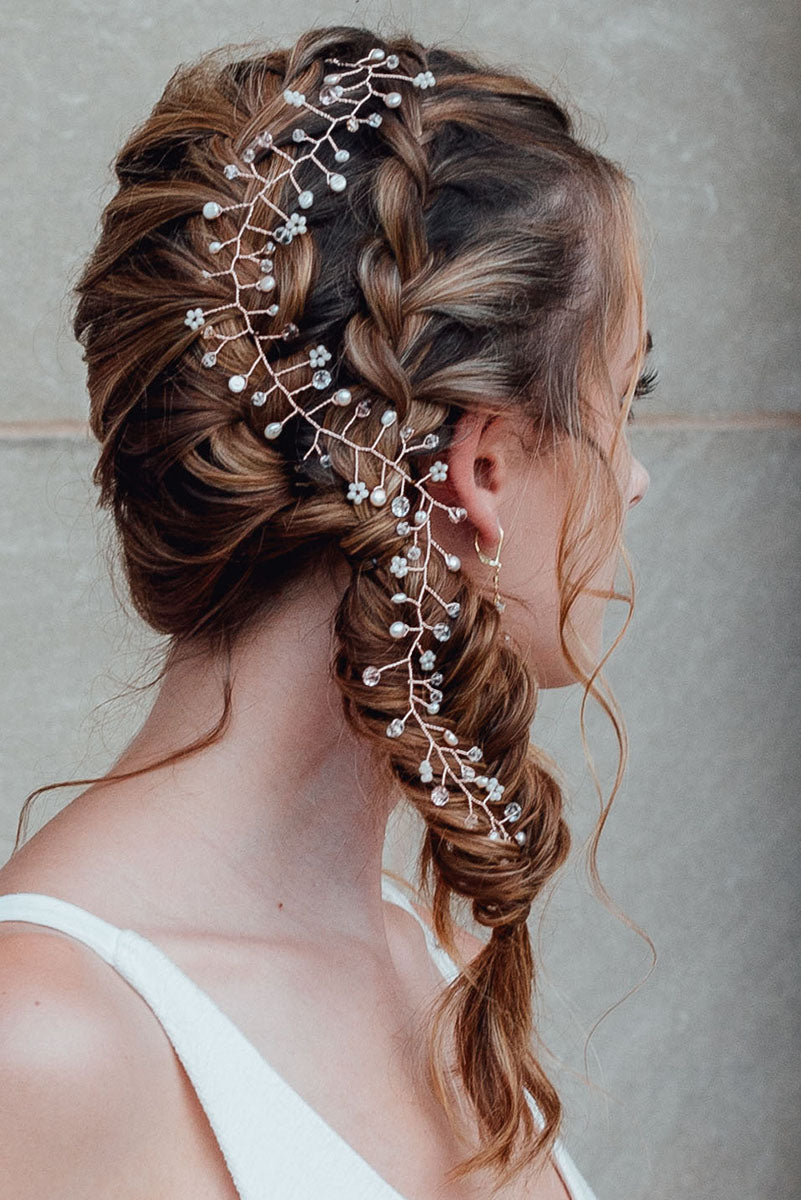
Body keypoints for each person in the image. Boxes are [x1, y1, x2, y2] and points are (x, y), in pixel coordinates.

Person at [0, 22, 655, 1200]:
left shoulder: (424, 954)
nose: (638, 476)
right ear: (485, 466)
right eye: (625, 396)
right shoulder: (45, 1049)